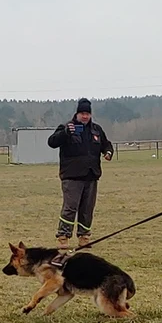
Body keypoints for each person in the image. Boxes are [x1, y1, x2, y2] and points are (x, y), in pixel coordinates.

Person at [47, 98, 114, 250]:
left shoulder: (96, 130)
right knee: (70, 208)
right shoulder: (66, 128)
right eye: (82, 113)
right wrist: (65, 133)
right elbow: (52, 142)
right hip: (72, 176)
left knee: (87, 209)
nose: (85, 116)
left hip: (91, 175)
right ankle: (63, 237)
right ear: (77, 113)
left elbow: (106, 144)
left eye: (87, 114)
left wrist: (108, 152)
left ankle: (84, 237)